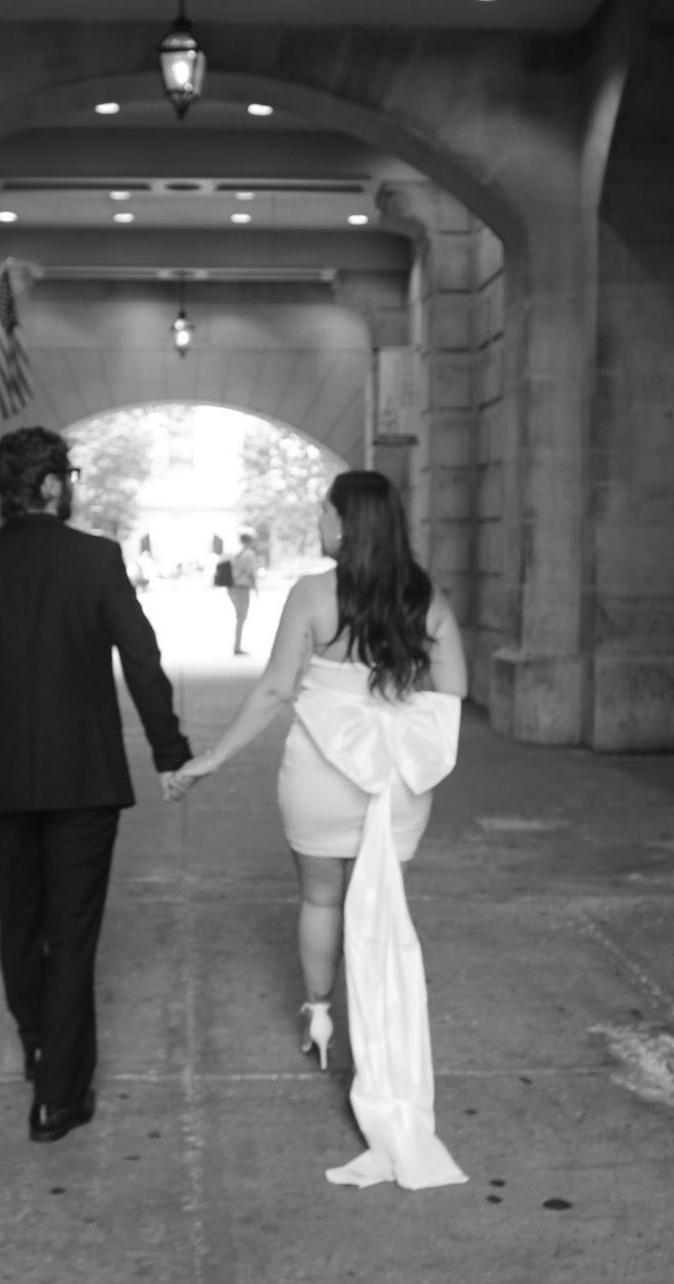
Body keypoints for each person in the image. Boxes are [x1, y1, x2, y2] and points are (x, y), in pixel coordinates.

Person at [175, 470, 469, 1190]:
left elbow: (277, 688)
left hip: (321, 774)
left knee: (320, 898)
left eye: (324, 513)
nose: (318, 522)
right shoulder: (426, 599)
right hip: (394, 781)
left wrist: (212, 757)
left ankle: (319, 1017)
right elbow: (454, 692)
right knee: (381, 904)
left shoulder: (312, 594)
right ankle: (380, 1035)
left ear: (345, 523)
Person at [0, 426, 192, 1144]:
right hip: (84, 775)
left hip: (5, 774)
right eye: (68, 476)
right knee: (72, 933)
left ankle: (37, 1044)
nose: (71, 486)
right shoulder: (96, 559)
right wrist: (169, 752)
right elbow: (142, 659)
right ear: (49, 485)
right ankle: (60, 1096)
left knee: (20, 920)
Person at [227, 531, 258, 655]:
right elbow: (250, 572)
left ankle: (237, 645)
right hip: (241, 588)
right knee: (241, 617)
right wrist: (255, 587)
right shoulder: (249, 554)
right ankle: (237, 646)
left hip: (232, 587)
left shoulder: (237, 553)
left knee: (239, 617)